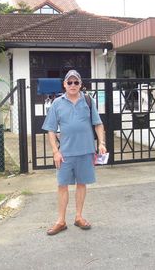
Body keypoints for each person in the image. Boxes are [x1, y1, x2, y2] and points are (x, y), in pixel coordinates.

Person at [42, 69, 107, 236]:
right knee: (62, 185)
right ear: (64, 84)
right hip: (65, 153)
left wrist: (101, 143)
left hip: (86, 152)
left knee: (82, 184)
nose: (72, 85)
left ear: (80, 85)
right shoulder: (57, 103)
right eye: (69, 82)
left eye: (75, 82)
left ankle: (79, 217)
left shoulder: (88, 100)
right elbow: (50, 129)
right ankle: (61, 221)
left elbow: (98, 124)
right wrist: (55, 151)